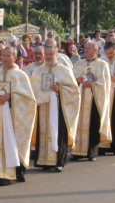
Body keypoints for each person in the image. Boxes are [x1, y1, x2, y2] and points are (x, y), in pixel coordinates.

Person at [0, 46, 35, 185]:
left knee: (13, 141)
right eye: (2, 55)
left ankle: (15, 172)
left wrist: (12, 97)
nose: (4, 58)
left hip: (14, 118)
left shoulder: (20, 75)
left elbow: (29, 99)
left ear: (14, 57)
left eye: (7, 55)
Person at [30, 42, 80, 172]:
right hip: (43, 107)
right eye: (46, 54)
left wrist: (60, 89)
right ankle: (44, 161)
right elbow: (33, 89)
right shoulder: (38, 71)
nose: (48, 57)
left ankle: (59, 162)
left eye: (51, 54)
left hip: (59, 107)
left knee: (59, 133)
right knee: (43, 133)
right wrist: (42, 95)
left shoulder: (64, 70)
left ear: (56, 54)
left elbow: (74, 91)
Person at [72, 41, 111, 161]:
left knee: (93, 124)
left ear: (95, 50)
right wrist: (77, 80)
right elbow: (72, 79)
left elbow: (105, 83)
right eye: (85, 48)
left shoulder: (102, 64)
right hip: (80, 98)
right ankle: (77, 151)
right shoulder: (79, 64)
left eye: (88, 48)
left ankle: (91, 152)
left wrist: (92, 84)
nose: (86, 50)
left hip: (94, 99)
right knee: (78, 124)